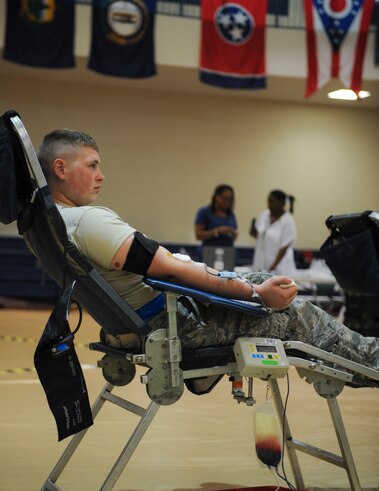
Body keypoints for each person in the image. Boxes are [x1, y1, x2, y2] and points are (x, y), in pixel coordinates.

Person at [37, 129, 379, 372]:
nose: (101, 175)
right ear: (61, 169)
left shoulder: (50, 225)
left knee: (264, 279)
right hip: (169, 324)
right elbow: (168, 269)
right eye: (92, 165)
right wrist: (255, 293)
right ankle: (370, 359)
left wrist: (252, 285)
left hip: (137, 322)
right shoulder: (87, 221)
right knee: (294, 314)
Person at [250, 189, 297, 275]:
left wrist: (273, 265)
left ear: (282, 203)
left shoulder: (288, 221)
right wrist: (253, 231)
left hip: (280, 268)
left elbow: (284, 247)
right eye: (268, 201)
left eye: (272, 202)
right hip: (261, 265)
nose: (269, 205)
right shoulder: (264, 215)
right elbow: (261, 236)